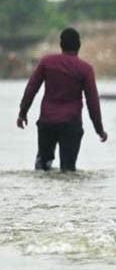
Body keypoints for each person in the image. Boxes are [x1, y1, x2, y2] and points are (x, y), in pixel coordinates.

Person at [16, 27, 108, 171]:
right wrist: (99, 129)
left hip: (47, 122)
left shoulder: (47, 62)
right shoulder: (85, 69)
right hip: (71, 125)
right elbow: (93, 102)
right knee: (68, 170)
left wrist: (22, 113)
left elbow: (31, 88)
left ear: (61, 44)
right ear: (79, 45)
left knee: (42, 166)